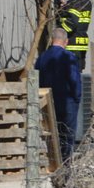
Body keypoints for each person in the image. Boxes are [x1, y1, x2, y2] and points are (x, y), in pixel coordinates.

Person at [34, 27, 82, 162]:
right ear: (65, 41)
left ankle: (52, 163)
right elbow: (74, 81)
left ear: (52, 40)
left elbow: (36, 81)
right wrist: (77, 98)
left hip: (47, 103)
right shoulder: (68, 57)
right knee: (67, 136)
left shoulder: (42, 58)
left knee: (51, 135)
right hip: (67, 103)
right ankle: (65, 166)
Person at [56, 0, 92, 71]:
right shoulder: (85, 1)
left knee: (70, 76)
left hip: (72, 44)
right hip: (80, 43)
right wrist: (65, 6)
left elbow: (71, 24)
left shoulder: (76, 2)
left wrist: (59, 21)